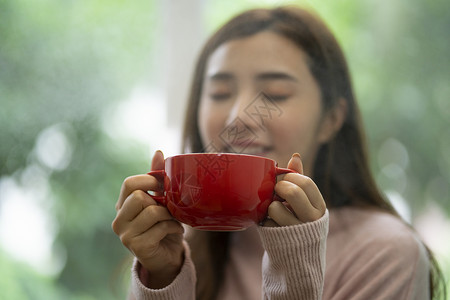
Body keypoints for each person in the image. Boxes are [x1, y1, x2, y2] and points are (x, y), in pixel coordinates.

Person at [112, 6, 446, 300]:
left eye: (275, 94)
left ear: (331, 119)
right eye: (219, 92)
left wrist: (294, 269)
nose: (238, 118)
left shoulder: (383, 253)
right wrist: (162, 279)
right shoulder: (179, 248)